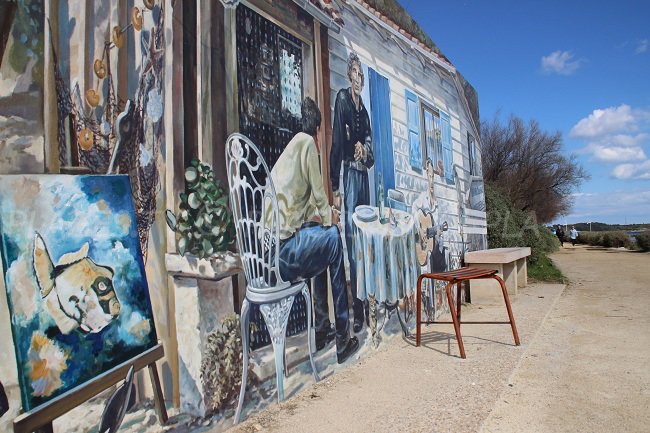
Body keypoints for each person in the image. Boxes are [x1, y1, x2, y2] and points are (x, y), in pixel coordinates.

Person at [269, 97, 359, 363]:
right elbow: (320, 197)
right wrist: (332, 218)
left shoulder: (291, 150)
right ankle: (343, 338)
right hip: (283, 254)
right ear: (318, 130)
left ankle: (321, 329)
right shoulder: (308, 144)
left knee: (319, 238)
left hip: (270, 254)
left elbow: (306, 206)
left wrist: (323, 217)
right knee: (332, 239)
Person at [329, 51, 375, 333]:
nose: (359, 78)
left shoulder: (365, 112)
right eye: (355, 73)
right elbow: (336, 142)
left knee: (365, 241)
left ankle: (367, 305)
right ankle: (356, 311)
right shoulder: (343, 100)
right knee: (351, 244)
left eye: (362, 74)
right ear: (349, 75)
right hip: (348, 175)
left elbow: (371, 153)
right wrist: (335, 186)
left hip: (364, 180)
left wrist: (365, 149)